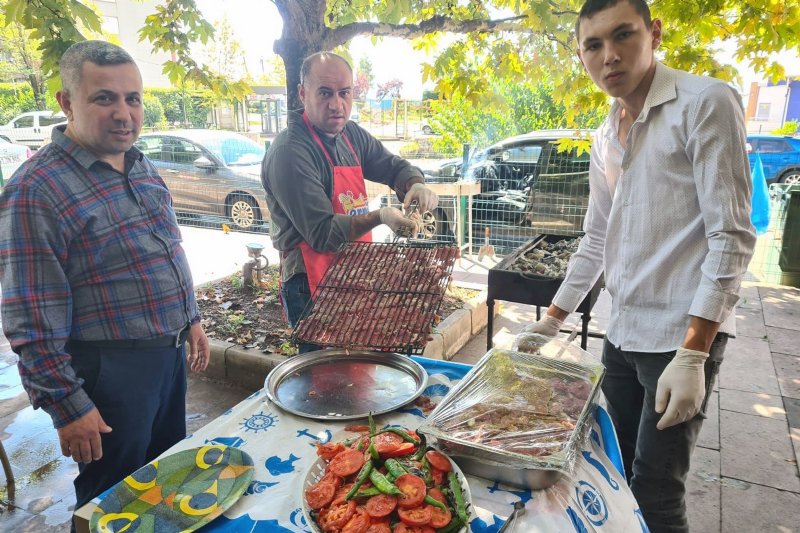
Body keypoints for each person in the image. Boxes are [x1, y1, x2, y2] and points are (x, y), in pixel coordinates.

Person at [516, 1, 756, 531]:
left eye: (623, 35)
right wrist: (551, 320)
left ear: (655, 33)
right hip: (621, 332)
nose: (610, 55)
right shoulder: (606, 132)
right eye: (593, 45)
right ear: (581, 55)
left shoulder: (705, 103)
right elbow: (596, 237)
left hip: (680, 337)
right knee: (612, 465)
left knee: (656, 486)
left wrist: (694, 353)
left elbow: (733, 238)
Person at [0, 40, 209, 522]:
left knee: (163, 483)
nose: (124, 113)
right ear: (67, 103)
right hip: (108, 374)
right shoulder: (36, 191)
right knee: (110, 501)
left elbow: (166, 252)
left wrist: (190, 319)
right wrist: (69, 408)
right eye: (104, 98)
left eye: (132, 98)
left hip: (167, 359)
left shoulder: (140, 165)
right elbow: (31, 321)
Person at [261, 51, 439, 337]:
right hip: (309, 281)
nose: (337, 104)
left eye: (344, 93)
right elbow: (323, 234)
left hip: (354, 271)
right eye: (325, 93)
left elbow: (392, 167)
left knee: (358, 364)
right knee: (324, 373)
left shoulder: (350, 135)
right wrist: (381, 216)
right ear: (301, 93)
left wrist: (414, 183)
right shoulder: (290, 152)